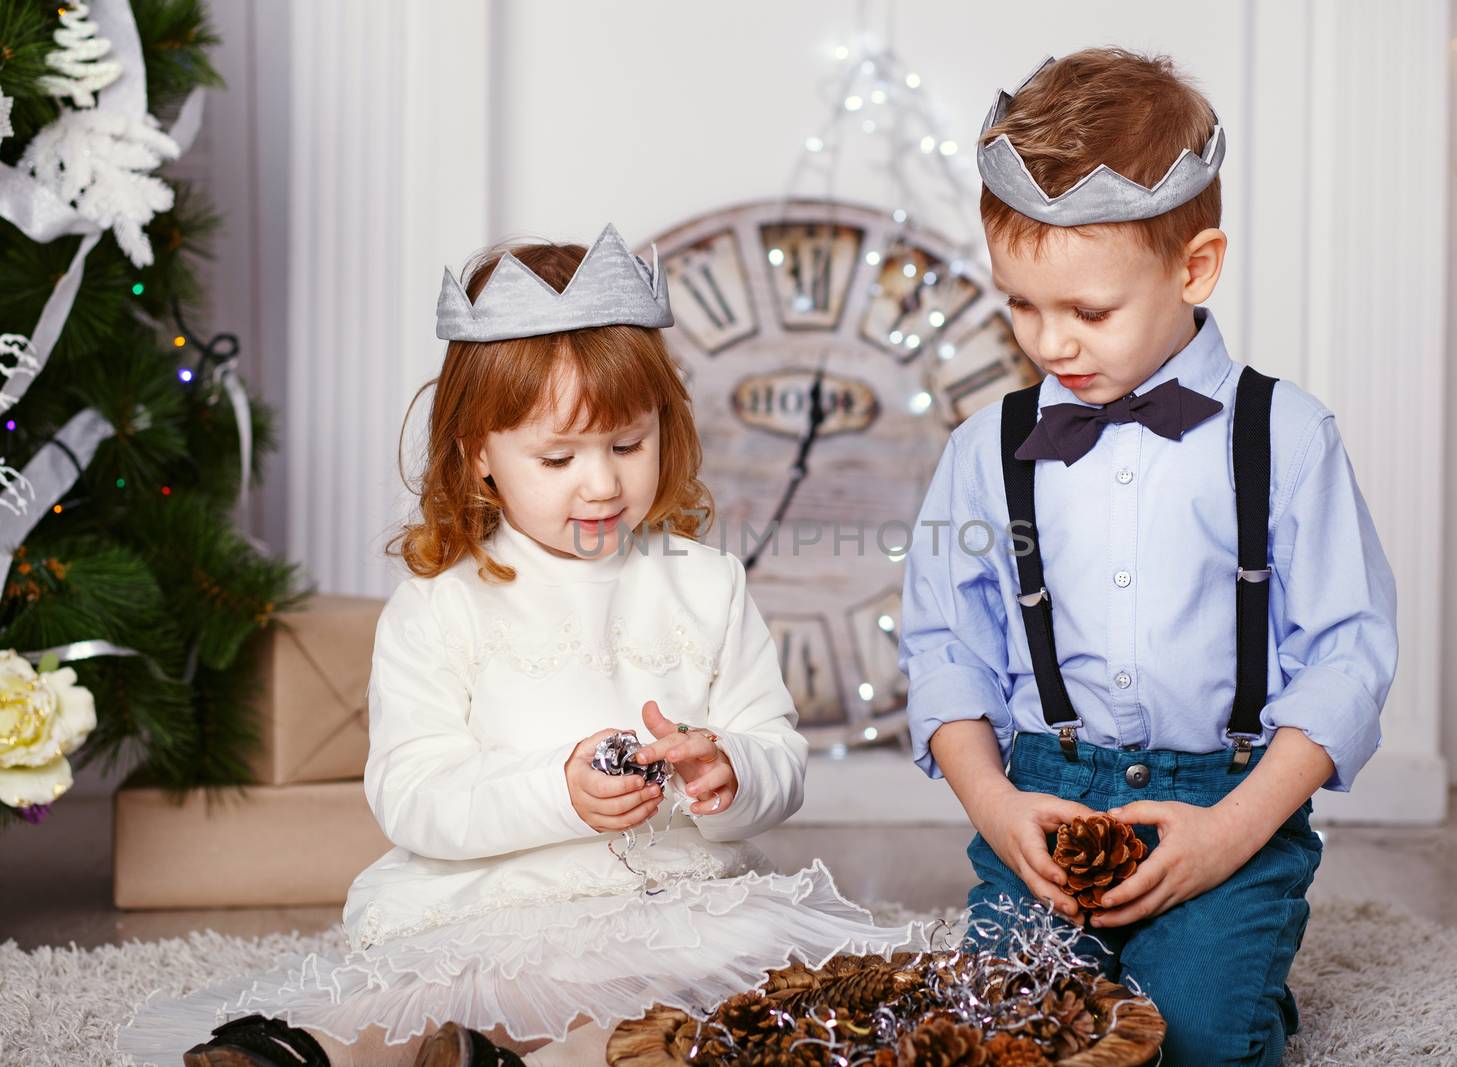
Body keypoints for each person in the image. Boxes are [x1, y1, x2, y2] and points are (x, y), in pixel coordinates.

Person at [120, 225, 913, 1067]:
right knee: (404, 1001)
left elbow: (777, 751)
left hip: (666, 899)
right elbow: (413, 792)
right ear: (480, 459)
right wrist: (557, 791)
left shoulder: (708, 582)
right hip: (490, 905)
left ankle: (509, 1061)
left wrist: (730, 771)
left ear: (665, 428)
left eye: (627, 444)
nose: (602, 482)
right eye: (559, 455)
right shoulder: (442, 604)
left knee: (705, 1009)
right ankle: (304, 1052)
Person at [898, 50, 1398, 1066]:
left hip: (1226, 795)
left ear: (1194, 266)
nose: (1050, 343)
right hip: (1042, 792)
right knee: (1001, 1035)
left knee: (1193, 1040)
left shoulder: (1285, 438)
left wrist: (1231, 831)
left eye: (1087, 312)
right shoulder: (983, 452)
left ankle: (1241, 987)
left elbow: (1348, 653)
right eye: (1021, 306)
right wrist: (997, 808)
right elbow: (944, 641)